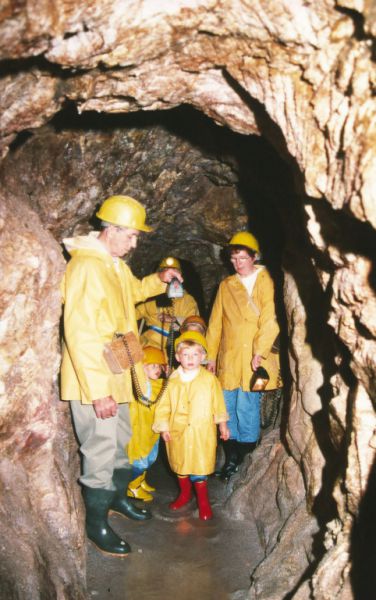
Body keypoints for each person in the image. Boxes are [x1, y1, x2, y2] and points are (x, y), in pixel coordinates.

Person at [60, 195, 182, 557]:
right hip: (94, 377)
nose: (134, 243)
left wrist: (159, 280)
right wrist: (98, 392)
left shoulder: (113, 264)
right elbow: (79, 334)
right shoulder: (85, 267)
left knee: (123, 442)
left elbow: (134, 293)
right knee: (99, 450)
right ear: (110, 230)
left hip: (120, 367)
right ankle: (96, 523)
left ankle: (114, 500)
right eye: (130, 235)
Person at [206, 231, 281, 480]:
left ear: (253, 257)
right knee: (226, 406)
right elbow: (215, 323)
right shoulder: (226, 285)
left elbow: (270, 318)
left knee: (246, 407)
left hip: (253, 355)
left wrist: (260, 351)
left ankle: (245, 456)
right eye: (233, 259)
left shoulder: (266, 279)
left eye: (242, 258)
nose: (237, 263)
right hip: (228, 356)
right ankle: (231, 457)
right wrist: (210, 356)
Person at [153, 331, 229, 520]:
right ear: (178, 357)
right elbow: (164, 405)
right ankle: (185, 494)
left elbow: (218, 404)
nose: (190, 359)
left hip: (201, 431)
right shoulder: (173, 380)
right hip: (178, 431)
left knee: (200, 466)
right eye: (186, 355)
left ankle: (203, 500)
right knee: (180, 464)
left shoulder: (210, 380)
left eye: (195, 354)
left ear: (203, 357)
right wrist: (163, 427)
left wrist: (223, 426)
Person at [136, 257, 199, 359]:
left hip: (177, 347)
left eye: (174, 274)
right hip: (149, 345)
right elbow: (131, 314)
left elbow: (195, 325)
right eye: (166, 273)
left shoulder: (188, 301)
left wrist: (174, 320)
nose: (170, 278)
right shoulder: (150, 299)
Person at [126, 346, 166, 502]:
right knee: (140, 461)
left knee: (150, 458)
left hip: (152, 430)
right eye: (153, 366)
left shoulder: (159, 384)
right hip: (140, 430)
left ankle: (140, 481)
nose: (158, 369)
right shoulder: (141, 385)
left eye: (159, 366)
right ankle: (132, 486)